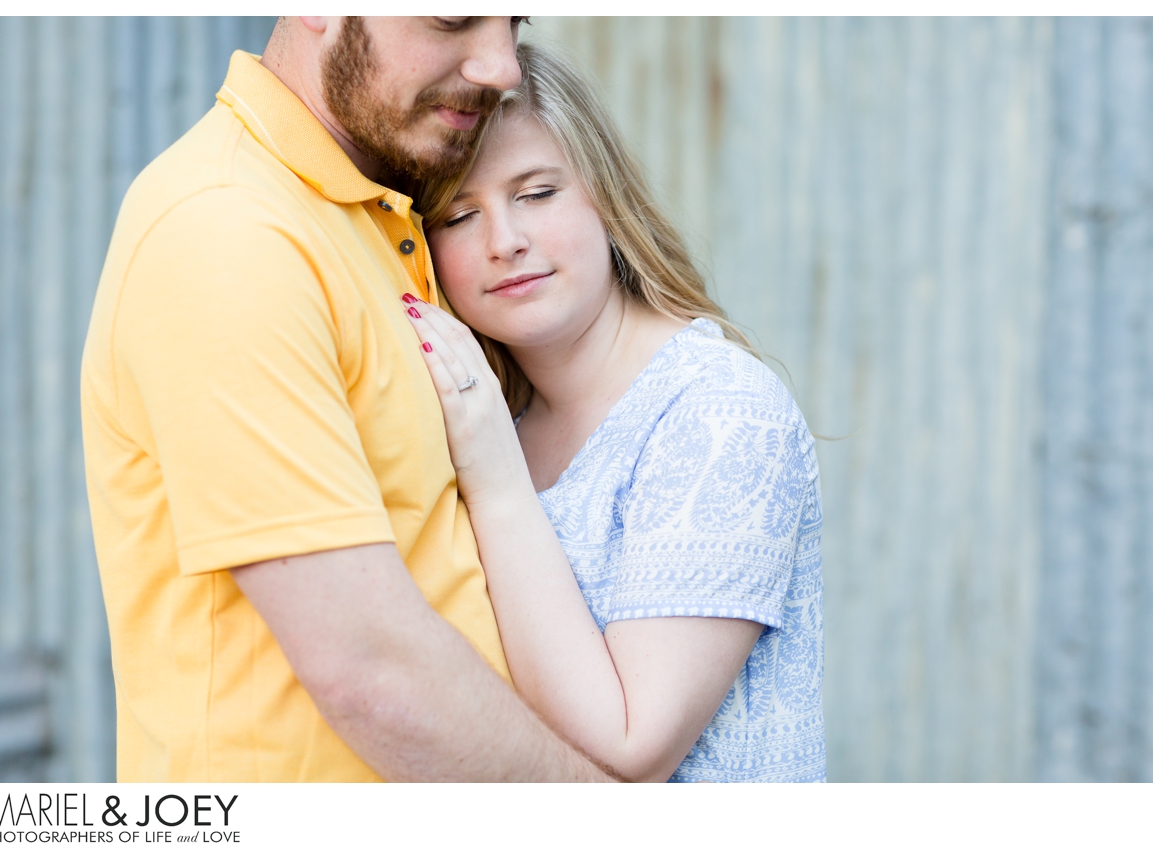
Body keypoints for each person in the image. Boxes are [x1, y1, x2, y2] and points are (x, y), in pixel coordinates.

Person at [81, 17, 616, 782]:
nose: (500, 65)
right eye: (454, 17)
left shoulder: (386, 208)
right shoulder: (230, 231)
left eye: (515, 19)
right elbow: (373, 673)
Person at [403, 41, 826, 782]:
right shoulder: (482, 419)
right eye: (458, 214)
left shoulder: (718, 412)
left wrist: (497, 482)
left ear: (604, 195)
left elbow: (630, 749)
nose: (507, 241)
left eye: (536, 193)